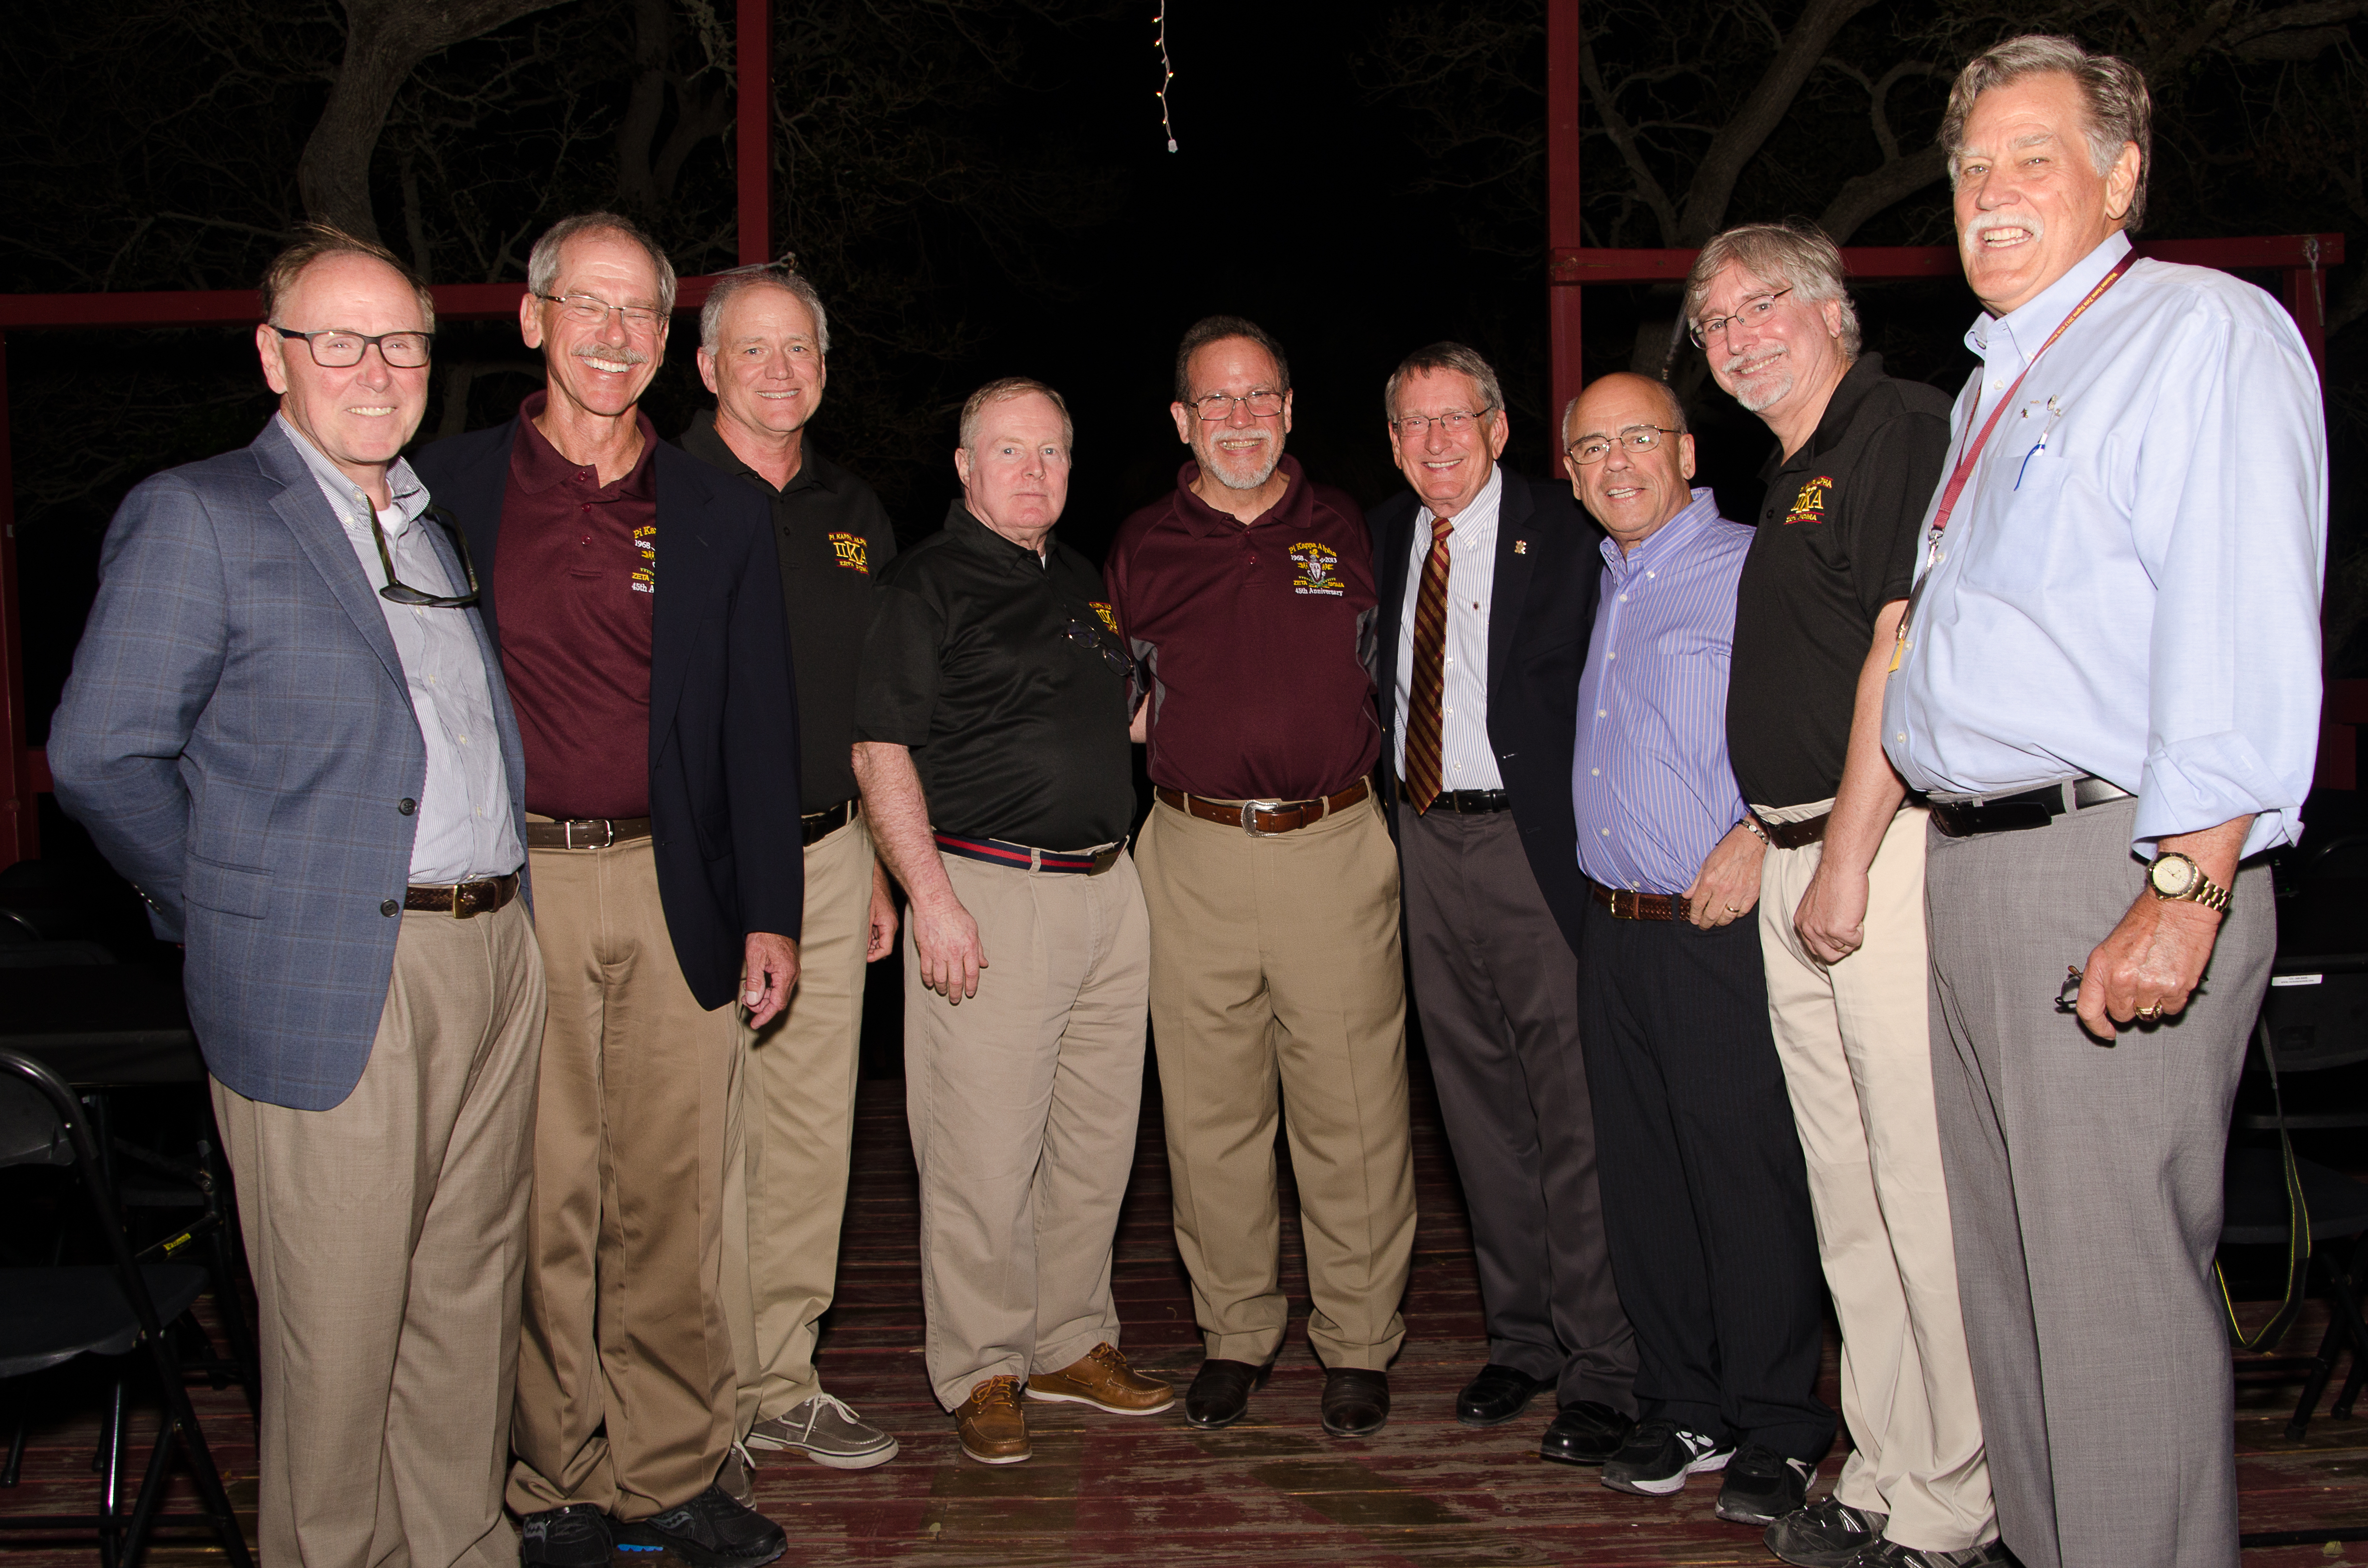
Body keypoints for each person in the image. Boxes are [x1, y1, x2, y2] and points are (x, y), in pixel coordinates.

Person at [1884, 37, 2325, 1568]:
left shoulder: (2198, 333)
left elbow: (2245, 622)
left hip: (2111, 859)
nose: (1991, 194)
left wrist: (2188, 887)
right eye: (1970, 168)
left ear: (2123, 174)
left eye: (2032, 159)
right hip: (1984, 873)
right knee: (2016, 1301)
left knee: (2112, 1302)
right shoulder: (2000, 379)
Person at [49, 226, 543, 1568]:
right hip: (338, 978)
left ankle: (457, 1546)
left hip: (494, 955)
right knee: (340, 1328)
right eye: (339, 339)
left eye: (402, 342)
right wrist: (230, 903)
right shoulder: (202, 515)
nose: (376, 369)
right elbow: (101, 755)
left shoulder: (424, 526)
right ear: (275, 359)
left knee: (462, 1299)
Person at [409, 211, 803, 1568]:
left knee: (673, 1200)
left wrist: (773, 911)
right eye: (590, 306)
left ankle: (674, 1473)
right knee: (539, 1197)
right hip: (514, 890)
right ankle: (557, 1481)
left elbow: (762, 722)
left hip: (673, 888)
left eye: (643, 312)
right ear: (531, 321)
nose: (618, 335)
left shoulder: (719, 509)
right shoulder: (437, 487)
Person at [1683, 224, 1998, 1568]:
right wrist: (1777, 837)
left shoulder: (1897, 426)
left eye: (1764, 305)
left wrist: (1855, 855)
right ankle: (1881, 1453)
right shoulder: (1794, 466)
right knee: (1847, 1189)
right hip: (1802, 856)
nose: (1740, 334)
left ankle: (1957, 1501)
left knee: (1921, 1190)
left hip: (1886, 853)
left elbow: (1901, 642)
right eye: (1714, 322)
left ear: (1833, 313)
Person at [1104, 316, 1418, 1439]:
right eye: (1214, 401)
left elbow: (1406, 679)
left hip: (1331, 844)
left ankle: (1358, 1341)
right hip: (1188, 852)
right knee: (1209, 1116)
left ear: (1288, 408)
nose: (1239, 418)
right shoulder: (1140, 544)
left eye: (1259, 397)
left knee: (1352, 1111)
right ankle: (1234, 1333)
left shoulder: (1358, 527)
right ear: (1182, 420)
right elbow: (1119, 703)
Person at [851, 376, 1170, 1467]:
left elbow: (1122, 719)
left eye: (1051, 454)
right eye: (1008, 452)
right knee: (981, 1153)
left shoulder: (1081, 583)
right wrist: (928, 893)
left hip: (1107, 890)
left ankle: (1070, 1340)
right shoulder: (923, 584)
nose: (1033, 472)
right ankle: (983, 1365)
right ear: (964, 465)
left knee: (1093, 1143)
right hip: (986, 890)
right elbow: (880, 746)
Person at [1562, 373, 1836, 1525]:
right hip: (1612, 929)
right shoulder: (1607, 582)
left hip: (1716, 925)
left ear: (1684, 451)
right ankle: (1684, 1402)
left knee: (1744, 1179)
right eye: (1591, 448)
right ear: (1570, 475)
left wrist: (1755, 834)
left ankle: (1779, 1419)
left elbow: (1825, 710)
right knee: (1644, 1186)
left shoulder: (1750, 564)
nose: (1615, 462)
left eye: (1637, 438)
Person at [1368, 342, 1637, 1463]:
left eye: (1454, 418)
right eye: (1412, 423)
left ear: (1497, 427)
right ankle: (1519, 1340)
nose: (1435, 441)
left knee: (1572, 1110)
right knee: (1477, 1110)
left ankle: (1602, 1364)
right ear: (1392, 442)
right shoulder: (1382, 539)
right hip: (1422, 842)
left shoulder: (1569, 532)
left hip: (1536, 846)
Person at [680, 261, 903, 1473]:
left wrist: (871, 852)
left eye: (799, 351)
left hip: (826, 854)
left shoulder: (854, 512)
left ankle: (780, 1377)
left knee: (811, 1131)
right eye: (752, 350)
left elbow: (868, 705)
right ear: (707, 365)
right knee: (695, 1134)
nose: (779, 372)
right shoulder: (656, 497)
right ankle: (694, 1399)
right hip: (694, 863)